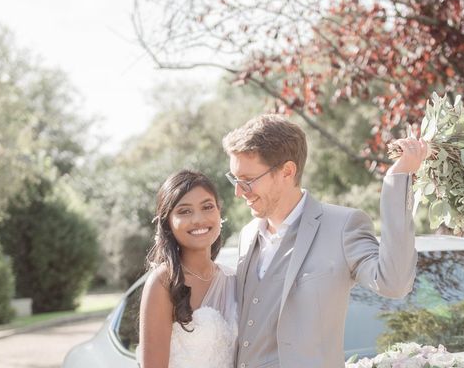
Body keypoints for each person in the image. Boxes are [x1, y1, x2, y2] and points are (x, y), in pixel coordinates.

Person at [222, 114, 428, 368]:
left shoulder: (342, 226)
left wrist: (399, 179)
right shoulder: (247, 234)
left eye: (247, 181)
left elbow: (394, 283)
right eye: (235, 179)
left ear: (287, 171)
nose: (238, 191)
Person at [137, 170, 237, 368]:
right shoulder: (163, 282)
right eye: (184, 211)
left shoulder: (234, 279)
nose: (198, 219)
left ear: (219, 213)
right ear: (168, 223)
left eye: (207, 207)